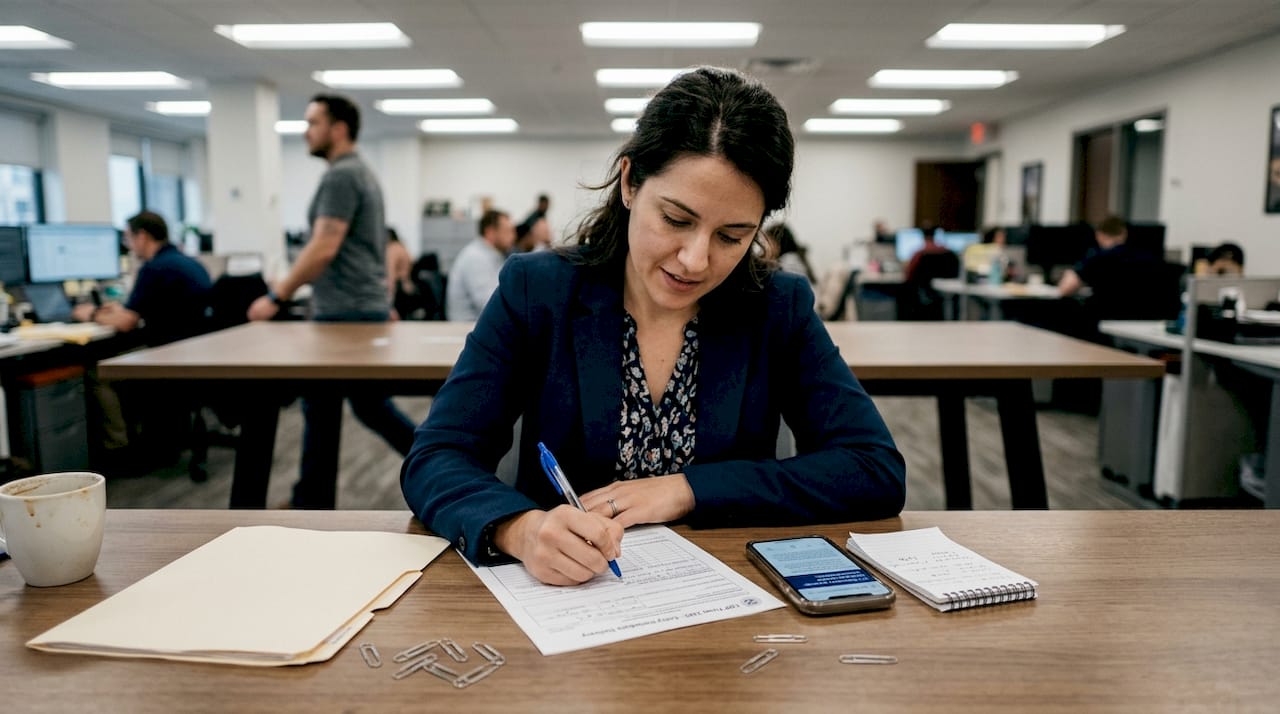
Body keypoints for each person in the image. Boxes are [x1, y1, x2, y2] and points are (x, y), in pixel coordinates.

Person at [401, 67, 905, 586]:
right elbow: (437, 456)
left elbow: (873, 469)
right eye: (676, 220)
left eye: (732, 236)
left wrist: (687, 489)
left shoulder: (778, 305)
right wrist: (520, 530)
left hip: (723, 606)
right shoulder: (538, 292)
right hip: (563, 604)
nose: (694, 260)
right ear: (628, 182)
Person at [247, 93, 416, 509]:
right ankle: (313, 498)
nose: (307, 131)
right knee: (354, 407)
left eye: (313, 123)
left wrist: (276, 295)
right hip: (357, 309)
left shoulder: (342, 176)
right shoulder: (362, 174)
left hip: (345, 315)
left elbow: (325, 246)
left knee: (334, 406)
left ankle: (313, 500)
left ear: (338, 128)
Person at [73, 210, 212, 345]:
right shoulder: (191, 263)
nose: (129, 247)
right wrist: (118, 311)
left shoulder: (155, 268)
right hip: (192, 347)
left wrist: (91, 314)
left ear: (142, 237)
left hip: (168, 352)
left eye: (128, 239)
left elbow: (127, 322)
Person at [445, 209, 515, 321]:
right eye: (507, 231)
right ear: (490, 232)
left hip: (482, 325)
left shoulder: (492, 255)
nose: (513, 237)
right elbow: (488, 304)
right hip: (467, 328)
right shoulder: (476, 258)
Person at [384, 226, 416, 316]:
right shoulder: (402, 247)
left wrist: (389, 298)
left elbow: (390, 273)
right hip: (407, 285)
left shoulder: (392, 250)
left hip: (398, 288)